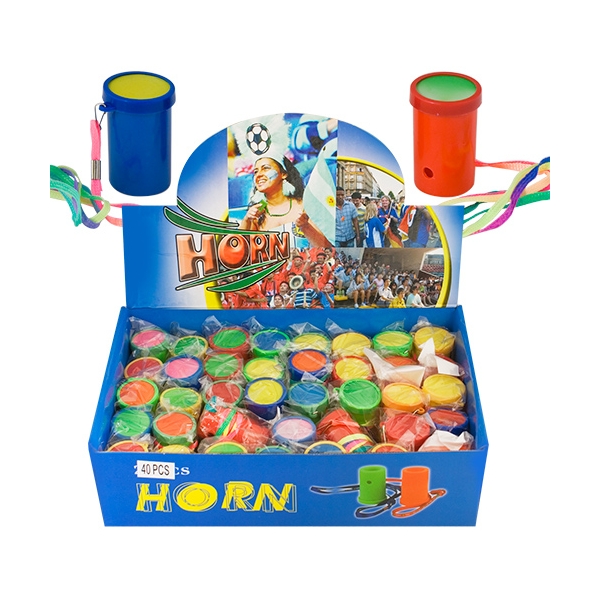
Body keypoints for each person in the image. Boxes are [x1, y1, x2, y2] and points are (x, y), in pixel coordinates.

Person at [238, 155, 330, 248]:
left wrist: (306, 227)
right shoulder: (257, 214)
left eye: (265, 168)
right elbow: (239, 250)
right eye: (255, 171)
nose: (258, 175)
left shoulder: (304, 205)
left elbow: (327, 249)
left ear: (283, 174)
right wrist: (246, 220)